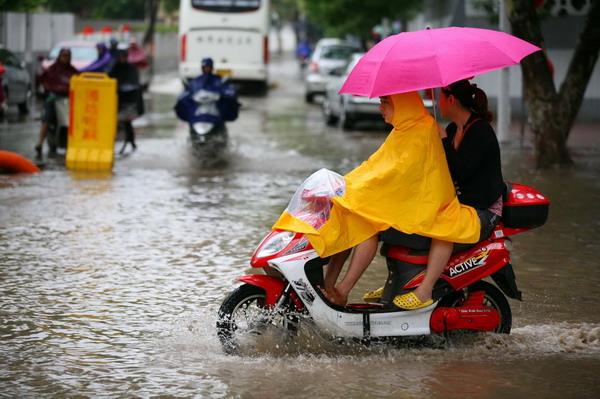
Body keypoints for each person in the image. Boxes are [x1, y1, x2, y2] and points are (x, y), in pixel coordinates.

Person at [272, 91, 481, 309]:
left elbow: (398, 174)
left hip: (421, 206)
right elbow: (375, 164)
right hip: (402, 200)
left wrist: (360, 189)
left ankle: (343, 291)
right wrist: (344, 185)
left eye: (385, 102)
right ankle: (327, 285)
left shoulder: (422, 130)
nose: (381, 108)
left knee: (365, 228)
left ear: (403, 104)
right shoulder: (404, 129)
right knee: (346, 213)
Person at [363, 80, 505, 306]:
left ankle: (424, 290)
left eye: (440, 96)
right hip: (457, 202)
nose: (436, 100)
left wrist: (443, 141)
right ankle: (402, 281)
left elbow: (462, 171)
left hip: (483, 210)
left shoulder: (480, 130)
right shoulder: (452, 129)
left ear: (450, 100)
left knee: (443, 228)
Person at [35, 48, 78, 157]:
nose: (65, 58)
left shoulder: (73, 71)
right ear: (59, 56)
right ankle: (40, 143)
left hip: (68, 100)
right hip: (53, 98)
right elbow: (41, 78)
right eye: (63, 56)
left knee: (74, 122)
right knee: (47, 119)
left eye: (66, 56)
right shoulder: (52, 69)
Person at [109, 49, 144, 154]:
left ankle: (131, 141)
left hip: (128, 101)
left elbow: (134, 83)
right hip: (117, 100)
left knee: (127, 122)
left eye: (124, 57)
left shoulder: (131, 68)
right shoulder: (115, 67)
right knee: (117, 122)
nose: (123, 59)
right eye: (121, 57)